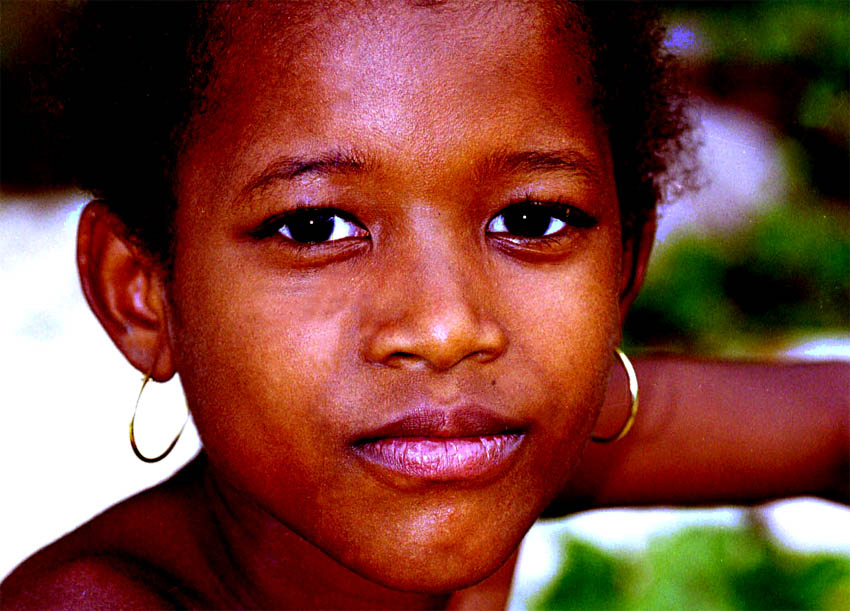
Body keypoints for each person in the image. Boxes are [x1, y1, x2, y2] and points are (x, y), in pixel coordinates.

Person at [1, 1, 847, 608]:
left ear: (625, 264)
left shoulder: (490, 433)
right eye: (314, 225)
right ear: (143, 292)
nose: (447, 328)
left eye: (530, 219)